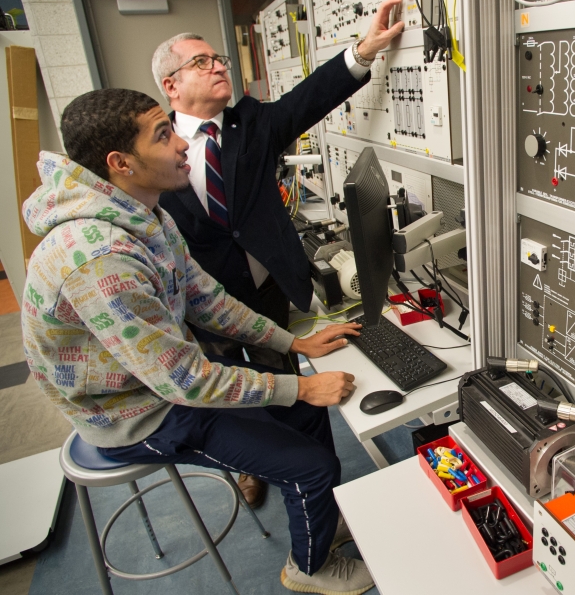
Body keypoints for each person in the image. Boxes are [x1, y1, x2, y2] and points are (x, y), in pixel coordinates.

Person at [21, 88, 374, 595]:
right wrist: (299, 386)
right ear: (121, 163)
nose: (183, 144)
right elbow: (184, 381)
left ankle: (319, 516)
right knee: (311, 464)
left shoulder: (146, 216)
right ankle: (309, 568)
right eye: (163, 135)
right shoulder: (100, 259)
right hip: (134, 413)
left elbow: (206, 298)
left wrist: (294, 346)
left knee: (307, 411)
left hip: (162, 381)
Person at [152, 0, 403, 508]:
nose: (218, 66)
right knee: (228, 392)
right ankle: (252, 467)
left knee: (284, 380)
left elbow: (309, 98)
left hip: (266, 289)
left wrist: (365, 49)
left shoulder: (250, 123)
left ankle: (315, 473)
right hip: (204, 304)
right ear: (171, 85)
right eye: (202, 62)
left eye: (219, 58)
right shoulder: (156, 149)